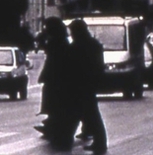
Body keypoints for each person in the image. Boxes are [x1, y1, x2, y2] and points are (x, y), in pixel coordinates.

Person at [34, 17, 74, 150]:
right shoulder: (60, 39)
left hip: (57, 78)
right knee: (54, 104)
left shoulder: (57, 41)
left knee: (55, 104)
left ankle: (55, 127)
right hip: (56, 78)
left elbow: (50, 53)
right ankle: (52, 124)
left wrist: (42, 38)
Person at [68, 19, 108, 154]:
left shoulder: (79, 45)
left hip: (83, 84)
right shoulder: (93, 44)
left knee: (90, 115)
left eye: (73, 31)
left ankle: (100, 143)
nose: (72, 34)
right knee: (90, 114)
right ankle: (99, 142)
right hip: (89, 84)